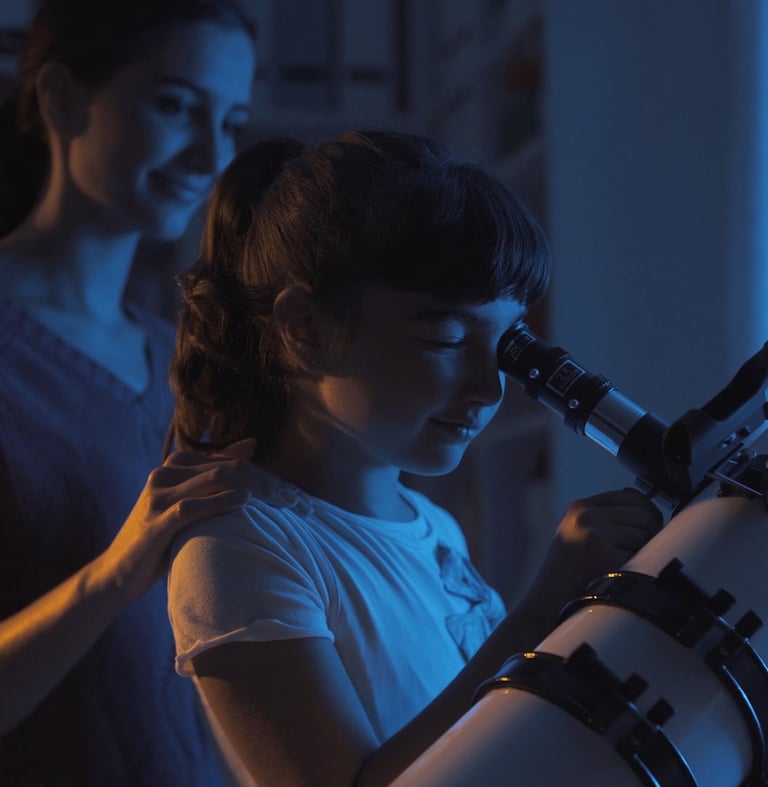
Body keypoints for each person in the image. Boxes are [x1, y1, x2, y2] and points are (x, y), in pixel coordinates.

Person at [166, 131, 663, 787]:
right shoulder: (241, 547)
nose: (488, 387)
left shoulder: (431, 526)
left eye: (506, 345)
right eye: (447, 339)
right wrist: (546, 604)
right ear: (306, 329)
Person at [0, 1, 258, 784]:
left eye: (232, 121)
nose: (209, 154)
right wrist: (112, 575)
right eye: (175, 105)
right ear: (61, 98)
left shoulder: (184, 353)